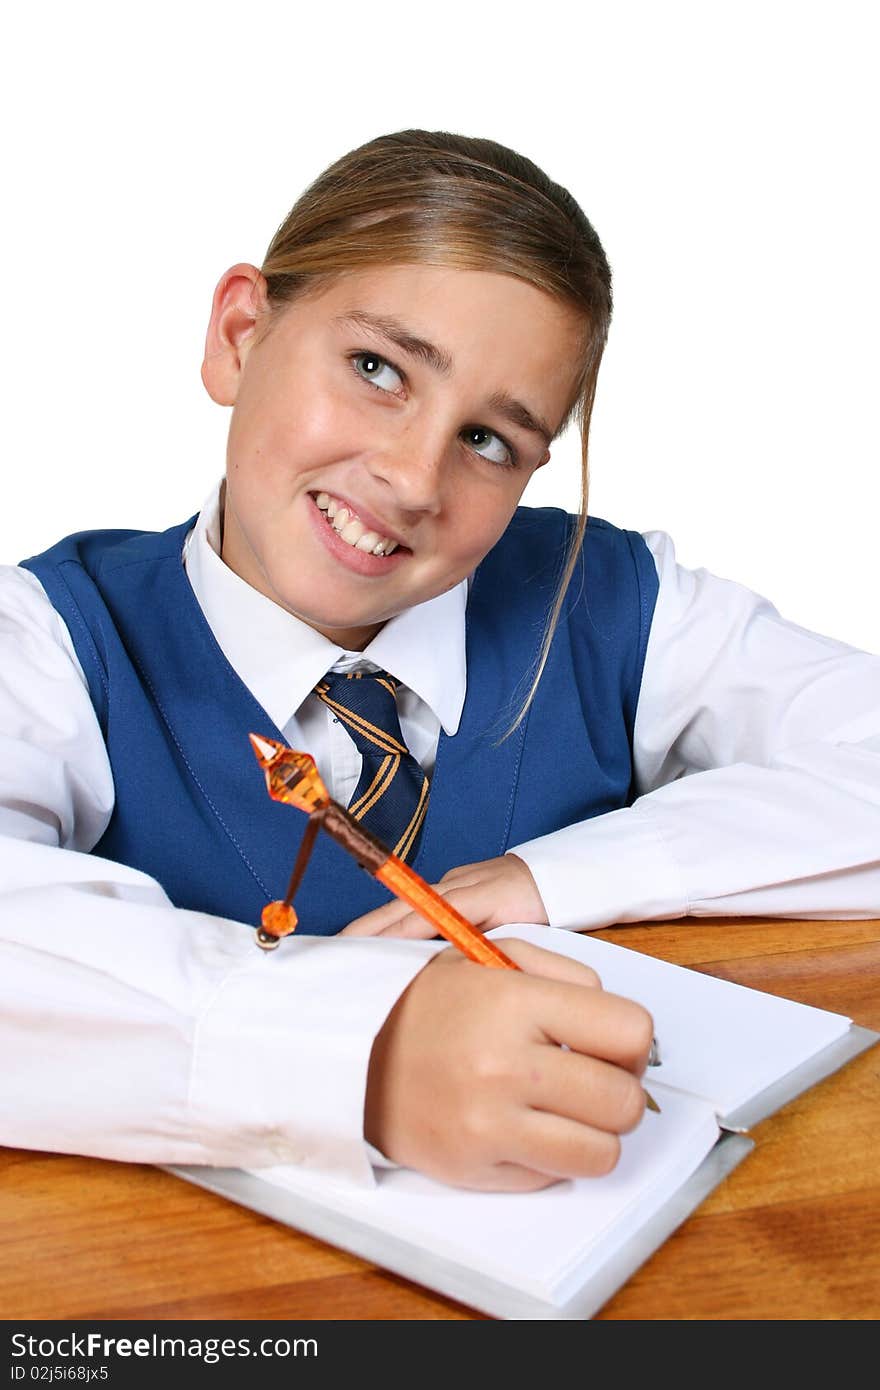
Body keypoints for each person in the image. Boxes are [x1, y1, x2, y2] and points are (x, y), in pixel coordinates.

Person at [1, 130, 878, 1195]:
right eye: (377, 370)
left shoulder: (606, 602)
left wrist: (548, 879)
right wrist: (364, 1055)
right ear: (239, 334)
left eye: (490, 441)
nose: (414, 478)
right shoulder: (53, 638)